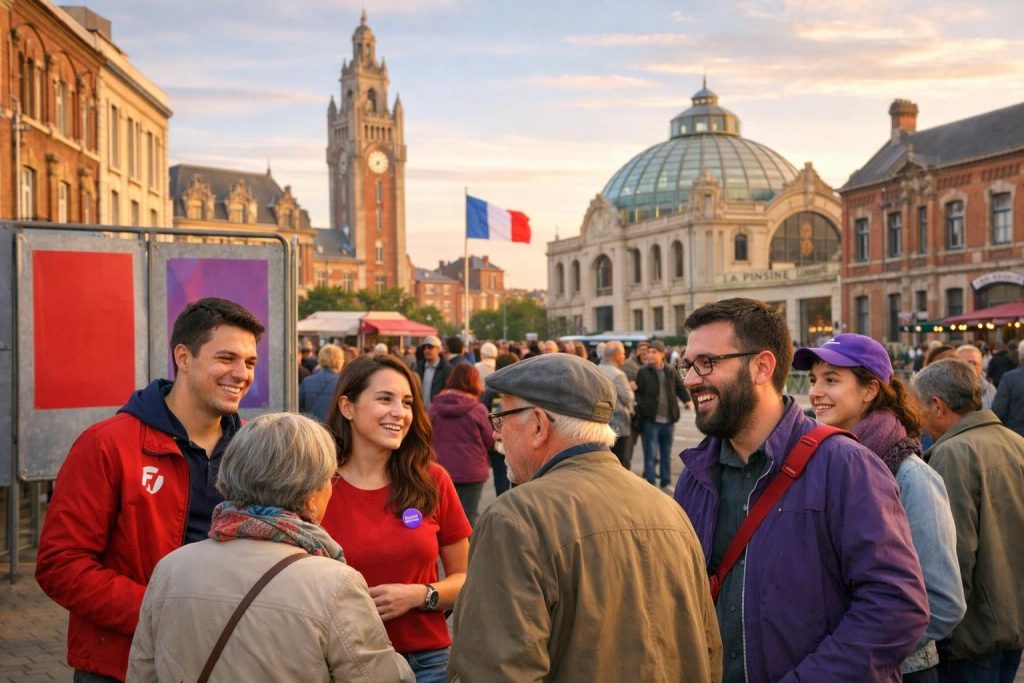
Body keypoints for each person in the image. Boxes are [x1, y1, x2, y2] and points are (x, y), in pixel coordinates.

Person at [673, 298, 929, 682]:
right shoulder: (696, 475)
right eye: (687, 365)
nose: (691, 379)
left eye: (708, 362)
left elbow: (897, 606)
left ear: (762, 367)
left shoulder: (844, 465)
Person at [449, 353, 722, 682]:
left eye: (502, 418)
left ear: (538, 425)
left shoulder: (517, 516)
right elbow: (708, 649)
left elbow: (496, 670)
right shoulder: (667, 509)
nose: (497, 434)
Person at [36, 298, 265, 682]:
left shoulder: (252, 448)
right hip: (123, 665)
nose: (241, 373)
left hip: (226, 660)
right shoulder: (107, 444)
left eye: (251, 362)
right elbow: (61, 564)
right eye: (226, 358)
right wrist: (164, 611)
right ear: (184, 357)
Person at [126, 413, 414, 682]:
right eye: (328, 479)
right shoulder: (335, 584)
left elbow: (142, 673)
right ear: (311, 496)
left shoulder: (171, 568)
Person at [794, 334, 966, 681]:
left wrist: (863, 651)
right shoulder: (813, 462)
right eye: (814, 380)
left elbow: (943, 601)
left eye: (831, 379)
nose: (815, 392)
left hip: (897, 670)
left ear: (870, 390)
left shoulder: (911, 476)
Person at [322, 354, 471, 682]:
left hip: (426, 662)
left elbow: (465, 579)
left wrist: (421, 595)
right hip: (342, 663)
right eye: (384, 399)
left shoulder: (433, 480)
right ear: (347, 407)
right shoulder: (317, 486)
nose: (399, 413)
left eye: (406, 402)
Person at [913, 359, 1024, 682]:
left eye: (919, 405)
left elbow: (954, 554)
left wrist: (939, 629)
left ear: (937, 405)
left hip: (972, 633)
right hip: (1011, 620)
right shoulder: (1016, 444)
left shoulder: (953, 454)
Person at [428, 364, 494, 526]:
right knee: (468, 518)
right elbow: (490, 440)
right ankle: (467, 552)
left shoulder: (434, 408)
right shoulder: (479, 409)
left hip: (440, 469)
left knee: (440, 517)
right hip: (472, 471)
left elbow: (426, 436)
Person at [635, 340, 692, 489]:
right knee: (650, 454)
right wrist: (644, 408)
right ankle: (651, 483)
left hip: (668, 419)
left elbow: (680, 388)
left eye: (654, 352)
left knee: (666, 454)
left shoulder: (670, 371)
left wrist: (687, 401)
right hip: (651, 419)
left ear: (661, 354)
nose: (650, 355)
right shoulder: (643, 372)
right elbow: (638, 394)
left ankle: (665, 482)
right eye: (649, 352)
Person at [480, 352, 518, 496]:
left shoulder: (490, 389)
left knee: (501, 484)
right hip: (518, 441)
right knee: (519, 482)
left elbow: (484, 414)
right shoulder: (522, 389)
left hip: (497, 443)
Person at [597, 340, 636, 468]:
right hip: (619, 425)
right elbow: (628, 398)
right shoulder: (618, 374)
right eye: (623, 353)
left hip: (599, 425)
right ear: (617, 355)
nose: (624, 356)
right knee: (621, 464)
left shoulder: (595, 370)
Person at [299, 343, 345, 422]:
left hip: (312, 429)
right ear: (340, 361)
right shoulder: (343, 383)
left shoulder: (307, 382)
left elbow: (300, 411)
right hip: (333, 430)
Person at [992, 341, 1024, 437]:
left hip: (1017, 437)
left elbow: (998, 411)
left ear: (1020, 356)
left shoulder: (1009, 378)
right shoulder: (1010, 377)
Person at [414, 335, 452, 410]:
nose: (426, 350)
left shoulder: (447, 368)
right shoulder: (419, 367)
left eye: (430, 347)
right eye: (424, 348)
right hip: (420, 409)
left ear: (438, 349)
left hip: (438, 411)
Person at [956, 344, 997, 409]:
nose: (970, 367)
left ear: (981, 367)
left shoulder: (990, 390)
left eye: (973, 363)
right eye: (964, 363)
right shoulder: (947, 391)